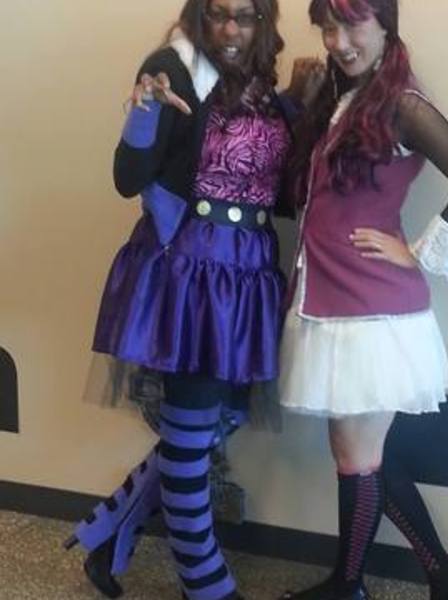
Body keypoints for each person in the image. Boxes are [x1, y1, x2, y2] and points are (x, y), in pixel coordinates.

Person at [64, 1, 303, 598]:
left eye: (245, 16)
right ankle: (205, 582)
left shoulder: (266, 89)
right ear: (200, 15)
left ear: (263, 22)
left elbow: (279, 190)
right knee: (193, 434)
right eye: (218, 14)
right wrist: (144, 110)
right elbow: (127, 177)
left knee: (219, 419)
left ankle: (107, 529)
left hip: (248, 276)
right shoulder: (173, 69)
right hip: (192, 276)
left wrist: (303, 105)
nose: (231, 29)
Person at [277, 1, 448, 599]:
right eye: (328, 26)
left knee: (357, 457)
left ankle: (349, 587)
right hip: (333, 300)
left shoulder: (402, 104)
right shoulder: (344, 99)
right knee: (359, 454)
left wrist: (419, 251)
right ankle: (444, 579)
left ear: (384, 24)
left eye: (352, 23)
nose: (337, 40)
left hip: (372, 314)